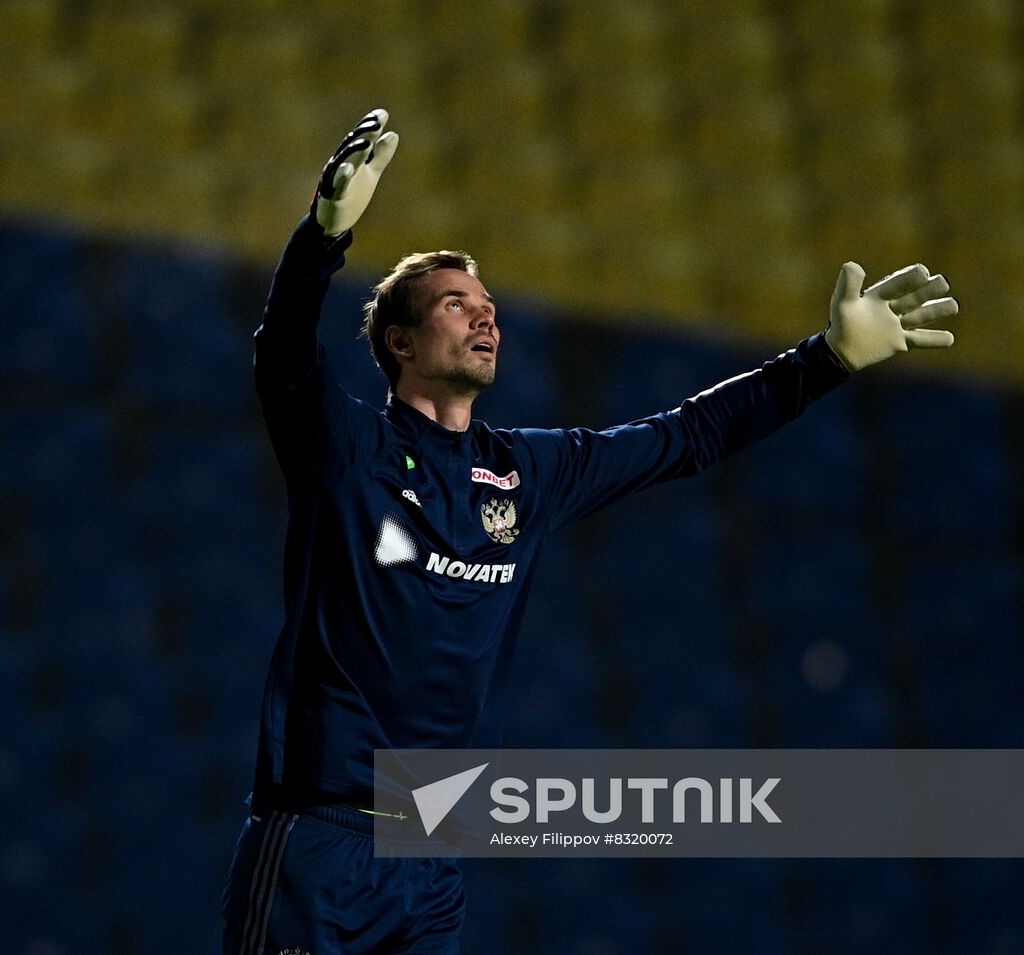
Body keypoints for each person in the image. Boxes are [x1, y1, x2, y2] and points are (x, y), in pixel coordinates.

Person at [221, 109, 959, 954]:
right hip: (322, 838)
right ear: (401, 341)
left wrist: (823, 360)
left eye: (490, 306)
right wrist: (323, 238)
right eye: (457, 305)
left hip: (431, 862)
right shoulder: (348, 448)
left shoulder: (531, 474)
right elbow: (282, 355)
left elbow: (685, 436)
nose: (484, 318)